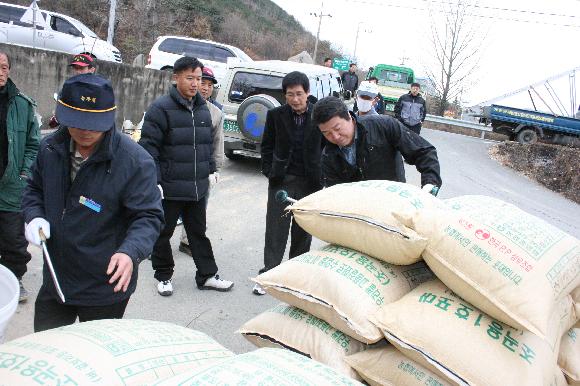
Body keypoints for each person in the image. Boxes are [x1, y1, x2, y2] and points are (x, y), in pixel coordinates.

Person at [22, 74, 164, 332]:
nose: (85, 131)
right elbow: (33, 189)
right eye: (78, 123)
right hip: (57, 277)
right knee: (47, 347)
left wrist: (129, 252)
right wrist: (34, 215)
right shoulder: (50, 149)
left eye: (94, 124)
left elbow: (148, 217)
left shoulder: (134, 161)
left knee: (94, 359)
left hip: (105, 287)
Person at [139, 56, 234, 296]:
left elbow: (206, 145)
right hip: (169, 186)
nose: (195, 83)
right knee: (163, 232)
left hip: (197, 187)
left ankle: (207, 275)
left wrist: (211, 170)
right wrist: (155, 181)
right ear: (176, 78)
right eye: (190, 78)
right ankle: (163, 276)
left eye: (199, 78)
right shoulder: (160, 109)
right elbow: (149, 149)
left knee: (198, 233)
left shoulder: (204, 109)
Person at [253, 71, 323, 296]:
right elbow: (267, 146)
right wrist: (269, 171)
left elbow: (328, 147)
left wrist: (322, 176)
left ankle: (295, 278)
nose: (295, 99)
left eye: (299, 94)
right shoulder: (276, 115)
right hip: (281, 180)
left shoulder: (318, 115)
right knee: (276, 229)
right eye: (290, 94)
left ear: (307, 93)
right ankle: (269, 276)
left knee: (303, 232)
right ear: (284, 95)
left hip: (310, 182)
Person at [312, 96, 442, 195]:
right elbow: (336, 193)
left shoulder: (384, 126)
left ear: (349, 117)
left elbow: (424, 152)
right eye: (327, 133)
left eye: (337, 128)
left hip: (393, 202)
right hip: (359, 215)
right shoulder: (328, 156)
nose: (335, 137)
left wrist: (430, 183)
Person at [0, 51, 39, 303]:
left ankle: (14, 280)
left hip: (12, 185)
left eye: (4, 67)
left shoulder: (22, 104)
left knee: (14, 241)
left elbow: (33, 145)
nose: (0, 71)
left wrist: (24, 172)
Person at [179, 66, 224, 256]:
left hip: (202, 169)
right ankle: (153, 243)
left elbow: (217, 142)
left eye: (209, 84)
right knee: (166, 209)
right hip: (177, 167)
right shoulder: (177, 105)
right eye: (202, 82)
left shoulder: (216, 112)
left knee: (198, 210)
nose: (205, 88)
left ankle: (187, 241)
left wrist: (216, 169)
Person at [49, 54, 97, 129]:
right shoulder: (69, 87)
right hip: (69, 128)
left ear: (92, 70)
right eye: (76, 68)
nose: (78, 72)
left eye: (81, 68)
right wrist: (57, 117)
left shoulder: (99, 89)